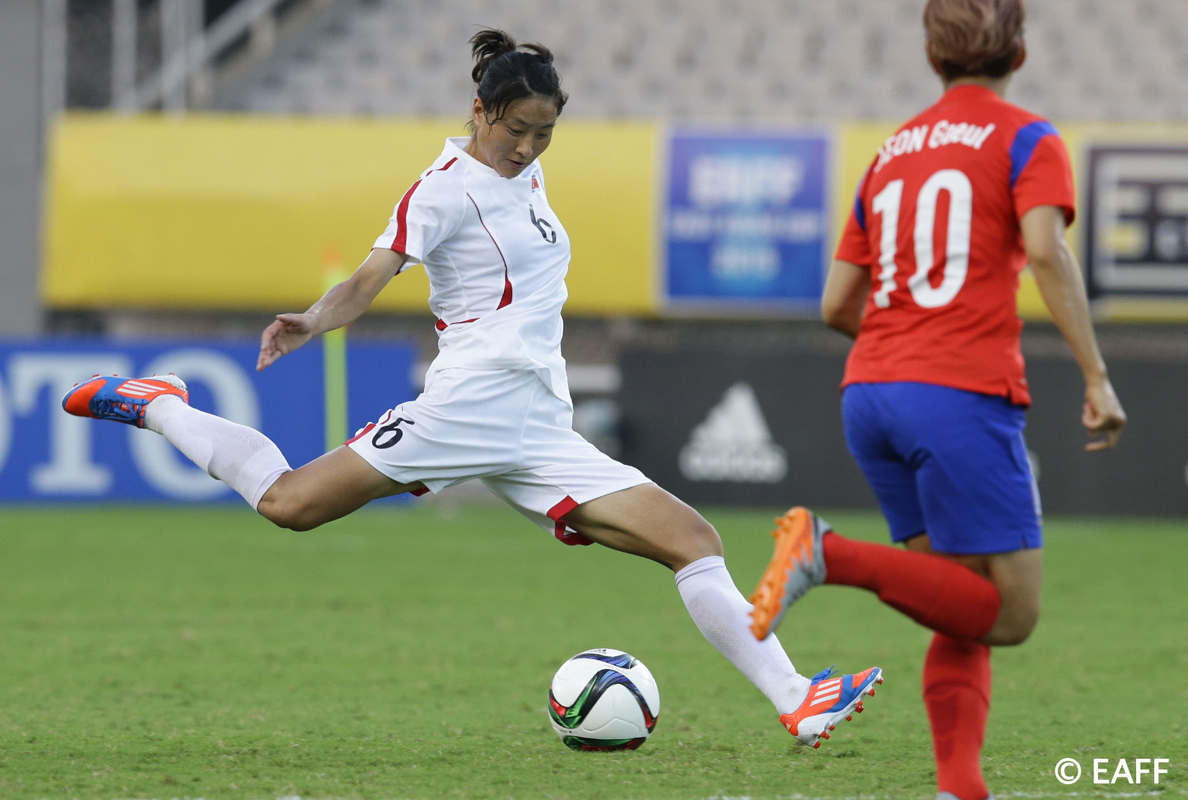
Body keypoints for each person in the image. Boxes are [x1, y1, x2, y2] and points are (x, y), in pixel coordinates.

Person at [63, 28, 882, 748]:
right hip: (469, 406)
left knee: (693, 540)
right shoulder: (443, 188)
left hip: (538, 426)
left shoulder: (527, 176)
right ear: (481, 112)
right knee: (289, 503)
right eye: (516, 129)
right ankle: (161, 405)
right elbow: (372, 275)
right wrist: (312, 320)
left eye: (544, 133)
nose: (527, 147)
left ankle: (796, 700)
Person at [746, 0, 1126, 795]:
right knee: (1012, 614)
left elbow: (835, 303)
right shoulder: (1028, 137)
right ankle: (827, 552)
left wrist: (903, 347)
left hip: (870, 392)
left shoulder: (892, 152)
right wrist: (1096, 374)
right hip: (956, 396)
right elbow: (1048, 252)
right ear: (1019, 54)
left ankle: (960, 784)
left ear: (932, 57)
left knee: (961, 601)